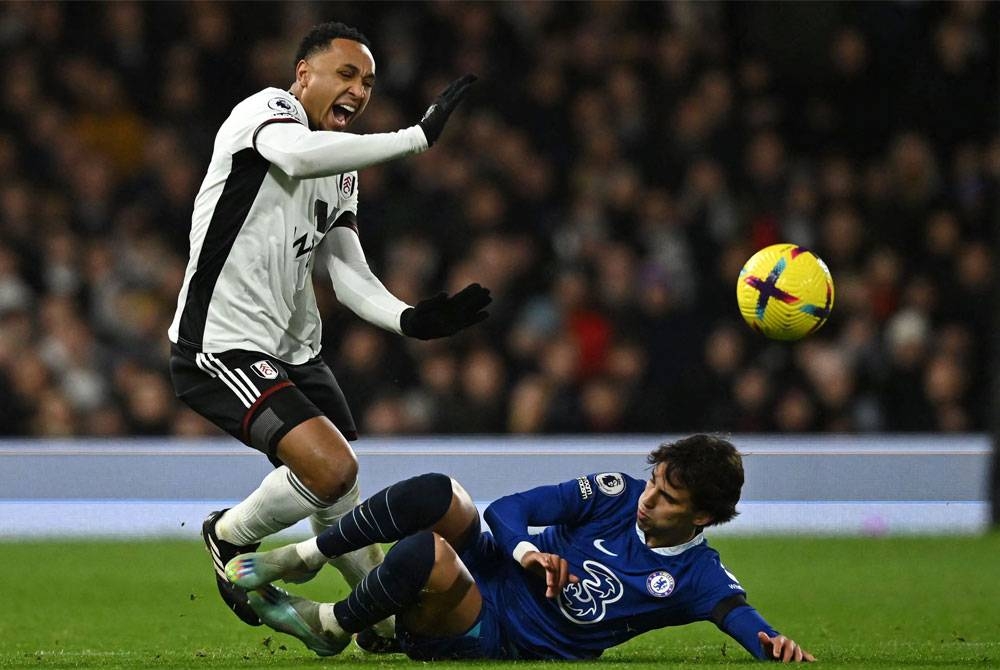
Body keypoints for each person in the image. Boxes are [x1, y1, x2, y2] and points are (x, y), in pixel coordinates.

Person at [166, 20, 489, 645]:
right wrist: (415, 138)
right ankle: (228, 534)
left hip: (297, 352)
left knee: (338, 486)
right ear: (302, 74)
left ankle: (374, 616)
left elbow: (344, 268)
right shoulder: (265, 112)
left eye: (368, 81)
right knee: (332, 470)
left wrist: (407, 318)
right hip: (223, 342)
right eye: (346, 74)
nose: (360, 90)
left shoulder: (340, 172)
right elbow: (293, 153)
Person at [225, 434, 815, 662]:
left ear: (703, 517)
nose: (647, 498)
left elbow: (740, 617)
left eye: (667, 498)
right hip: (496, 566)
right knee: (438, 492)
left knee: (425, 552)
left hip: (496, 627)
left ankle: (333, 625)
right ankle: (309, 555)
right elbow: (509, 513)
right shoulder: (616, 493)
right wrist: (527, 554)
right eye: (655, 481)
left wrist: (774, 646)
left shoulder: (695, 576)